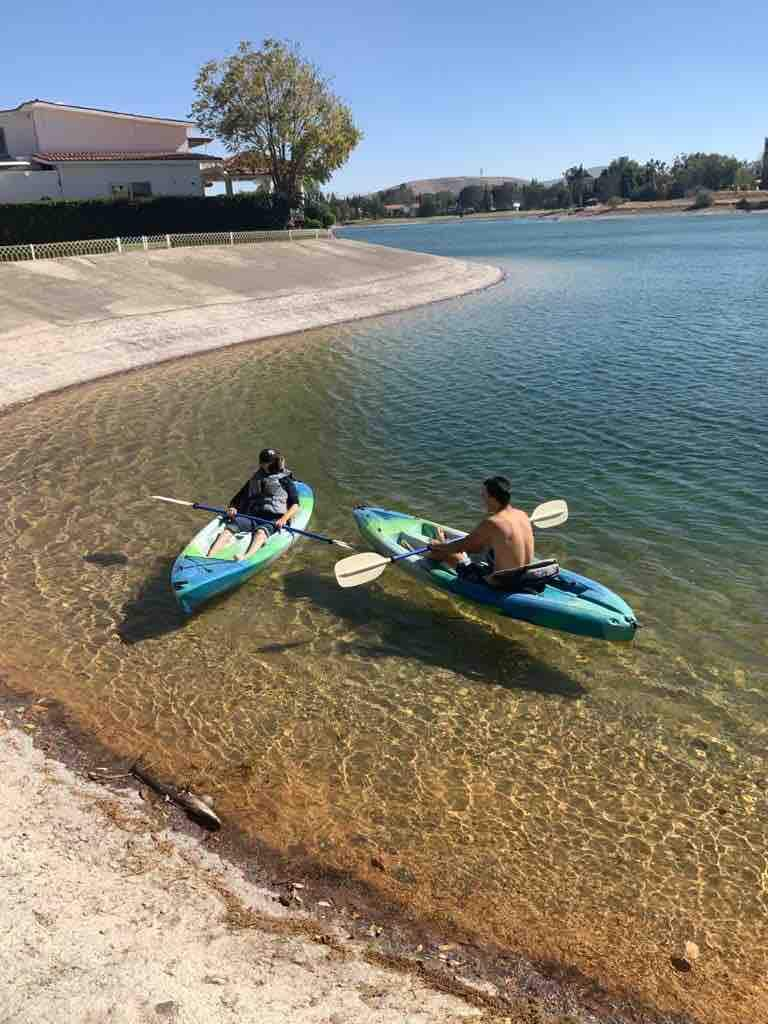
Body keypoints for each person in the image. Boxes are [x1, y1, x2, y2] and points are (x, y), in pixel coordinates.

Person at [425, 476, 534, 586]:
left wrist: (437, 546)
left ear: (492, 498)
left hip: (501, 584)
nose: (482, 500)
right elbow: (479, 547)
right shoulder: (522, 514)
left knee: (443, 553)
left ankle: (422, 567)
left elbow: (461, 547)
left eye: (483, 495)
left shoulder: (493, 522)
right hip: (523, 577)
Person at [207, 449, 300, 560]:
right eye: (268, 462)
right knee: (230, 528)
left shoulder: (285, 479)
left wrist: (284, 518)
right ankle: (209, 555)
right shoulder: (256, 478)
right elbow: (238, 498)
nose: (273, 464)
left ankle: (246, 557)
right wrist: (232, 508)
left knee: (260, 533)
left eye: (274, 461)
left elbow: (295, 505)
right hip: (253, 515)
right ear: (262, 464)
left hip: (273, 518)